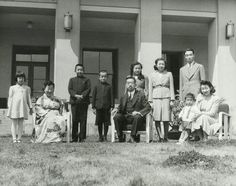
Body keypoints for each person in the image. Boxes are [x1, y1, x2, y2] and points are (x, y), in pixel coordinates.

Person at [113, 76, 151, 143]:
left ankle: (132, 137)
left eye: (131, 83)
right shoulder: (123, 96)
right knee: (116, 117)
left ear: (135, 85)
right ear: (126, 85)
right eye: (128, 83)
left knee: (137, 117)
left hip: (136, 118)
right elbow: (121, 107)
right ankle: (120, 137)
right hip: (126, 117)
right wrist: (116, 109)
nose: (130, 85)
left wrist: (139, 112)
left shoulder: (141, 95)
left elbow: (148, 107)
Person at [149, 58, 175, 142]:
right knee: (157, 117)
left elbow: (171, 86)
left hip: (166, 96)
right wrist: (150, 101)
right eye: (159, 64)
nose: (161, 66)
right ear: (156, 65)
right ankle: (160, 137)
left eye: (163, 64)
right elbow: (150, 88)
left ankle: (165, 137)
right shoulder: (152, 75)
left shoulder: (169, 74)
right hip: (155, 97)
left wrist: (172, 99)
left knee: (166, 118)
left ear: (165, 65)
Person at [7, 71, 33, 143]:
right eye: (19, 78)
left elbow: (28, 98)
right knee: (14, 122)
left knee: (21, 123)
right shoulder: (12, 88)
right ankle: (14, 138)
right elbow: (10, 98)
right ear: (16, 79)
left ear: (24, 79)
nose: (20, 79)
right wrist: (10, 107)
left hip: (22, 107)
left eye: (22, 78)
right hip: (14, 107)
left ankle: (19, 138)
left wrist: (30, 107)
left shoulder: (27, 88)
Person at [68, 64, 91, 142]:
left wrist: (82, 96)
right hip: (74, 102)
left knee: (83, 120)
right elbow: (70, 89)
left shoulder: (87, 80)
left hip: (83, 102)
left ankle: (82, 137)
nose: (80, 71)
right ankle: (74, 137)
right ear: (75, 71)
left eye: (81, 70)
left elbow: (88, 89)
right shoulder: (72, 80)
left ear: (83, 71)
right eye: (78, 69)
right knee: (74, 120)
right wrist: (75, 95)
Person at [92, 70, 114, 142]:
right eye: (102, 76)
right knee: (99, 122)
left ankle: (105, 136)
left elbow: (111, 97)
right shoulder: (96, 86)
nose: (103, 78)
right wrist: (93, 107)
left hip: (106, 107)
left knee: (106, 122)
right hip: (98, 107)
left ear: (107, 77)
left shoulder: (109, 86)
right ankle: (100, 136)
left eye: (105, 77)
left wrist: (112, 106)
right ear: (99, 77)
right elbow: (94, 97)